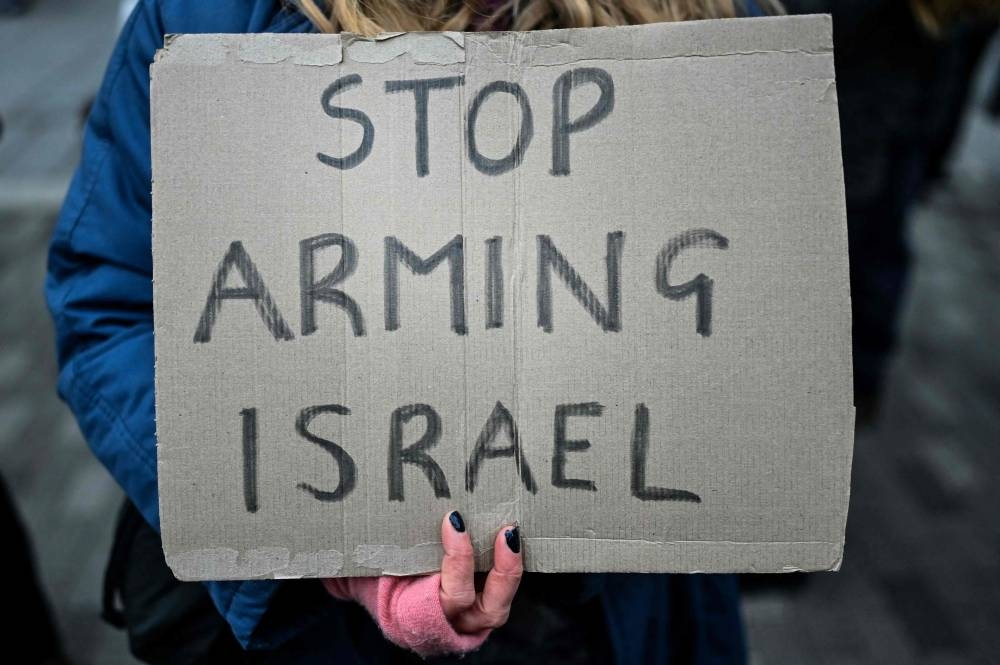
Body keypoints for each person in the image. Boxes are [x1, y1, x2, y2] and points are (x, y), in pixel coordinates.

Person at [47, 1, 775, 662]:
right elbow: (111, 302)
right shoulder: (216, 13)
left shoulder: (696, 19)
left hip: (598, 615)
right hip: (309, 630)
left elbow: (743, 297)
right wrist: (333, 547)